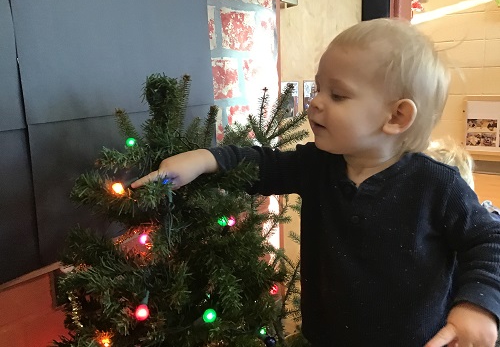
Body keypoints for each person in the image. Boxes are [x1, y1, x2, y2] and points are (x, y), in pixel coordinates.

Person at [132, 18, 500, 346]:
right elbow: (265, 164)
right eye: (318, 89)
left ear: (397, 116)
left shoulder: (437, 185)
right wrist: (206, 159)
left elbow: (488, 240)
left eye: (337, 95)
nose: (315, 103)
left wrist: (478, 306)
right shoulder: (319, 164)